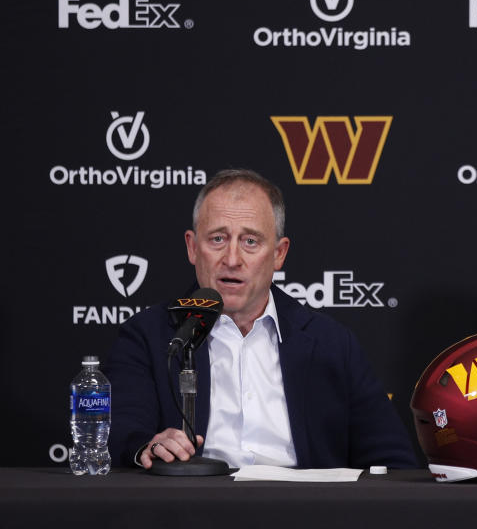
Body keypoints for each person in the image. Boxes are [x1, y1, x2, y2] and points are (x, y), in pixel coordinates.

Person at [106, 169, 417, 469]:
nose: (231, 259)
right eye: (217, 239)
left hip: (305, 515)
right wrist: (150, 447)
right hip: (192, 513)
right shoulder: (148, 336)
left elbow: (392, 460)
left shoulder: (332, 344)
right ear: (192, 247)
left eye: (250, 241)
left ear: (279, 254)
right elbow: (120, 434)